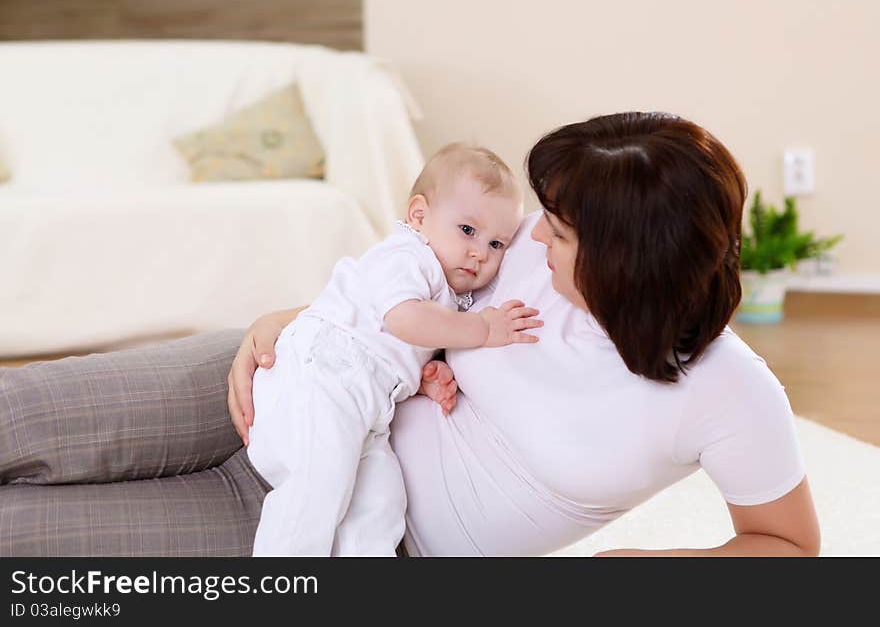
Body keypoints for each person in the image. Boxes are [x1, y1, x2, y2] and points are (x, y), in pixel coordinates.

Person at [229, 112, 821, 557]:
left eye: (559, 233)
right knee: (132, 410)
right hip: (318, 373)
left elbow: (791, 547)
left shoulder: (731, 391)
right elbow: (410, 293)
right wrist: (288, 319)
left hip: (350, 527)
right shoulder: (522, 242)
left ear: (622, 264)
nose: (535, 238)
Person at [246, 143, 541, 556]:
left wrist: (421, 377)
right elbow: (403, 319)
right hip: (322, 374)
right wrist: (481, 329)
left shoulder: (446, 294)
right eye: (468, 231)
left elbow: (395, 343)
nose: (480, 253)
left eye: (497, 245)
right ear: (419, 216)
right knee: (318, 485)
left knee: (381, 505)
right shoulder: (408, 255)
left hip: (367, 405)